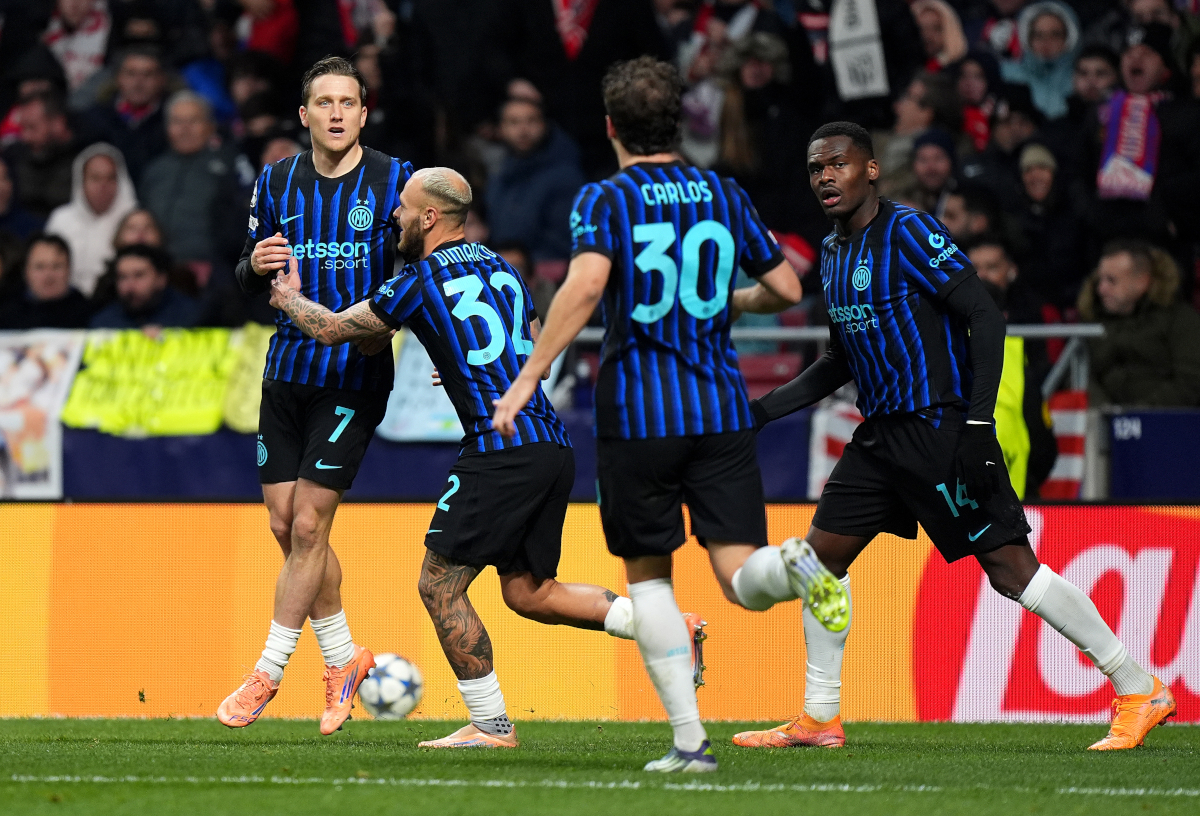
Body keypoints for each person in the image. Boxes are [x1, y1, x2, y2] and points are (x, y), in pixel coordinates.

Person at [738, 121, 1175, 753]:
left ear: (870, 170)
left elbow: (985, 315)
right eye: (815, 168)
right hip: (881, 436)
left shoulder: (909, 231)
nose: (825, 177)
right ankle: (820, 716)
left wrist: (976, 424)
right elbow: (840, 360)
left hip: (940, 428)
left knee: (1011, 571)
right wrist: (762, 411)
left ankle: (1139, 687)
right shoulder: (832, 255)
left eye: (837, 164)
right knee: (822, 559)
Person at [268, 166, 706, 750]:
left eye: (402, 207)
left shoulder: (417, 280)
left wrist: (287, 296)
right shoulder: (507, 271)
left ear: (429, 217)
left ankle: (492, 724)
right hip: (551, 444)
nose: (393, 216)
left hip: (500, 449)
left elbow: (330, 330)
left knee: (438, 586)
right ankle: (668, 627)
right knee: (529, 591)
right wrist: (466, 363)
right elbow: (537, 358)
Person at [492, 57, 845, 774]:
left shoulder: (605, 197)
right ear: (679, 122)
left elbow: (586, 286)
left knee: (650, 580)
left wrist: (530, 373)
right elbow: (784, 282)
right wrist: (735, 302)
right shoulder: (722, 190)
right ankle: (799, 563)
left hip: (638, 413)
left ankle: (690, 745)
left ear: (613, 126)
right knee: (745, 577)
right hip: (720, 407)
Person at [217, 56, 413, 736]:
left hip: (355, 373)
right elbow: (244, 272)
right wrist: (257, 264)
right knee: (284, 525)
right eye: (323, 102)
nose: (335, 112)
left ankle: (267, 672)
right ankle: (344, 658)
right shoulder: (274, 181)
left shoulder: (396, 182)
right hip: (286, 369)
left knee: (308, 525)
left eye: (348, 102)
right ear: (304, 116)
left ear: (364, 112)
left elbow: (428, 268)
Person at [1078, 239, 1200, 408]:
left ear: (1142, 281)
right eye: (1100, 280)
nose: (1101, 289)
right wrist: (1102, 411)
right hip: (1102, 423)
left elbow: (1191, 380)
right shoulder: (1091, 322)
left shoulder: (1180, 320)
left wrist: (1141, 414)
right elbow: (1079, 375)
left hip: (1166, 424)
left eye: (1111, 280)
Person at [138, 91, 251, 267]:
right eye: (177, 122)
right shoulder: (154, 169)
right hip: (157, 268)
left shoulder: (231, 164)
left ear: (210, 126)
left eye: (193, 121)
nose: (185, 129)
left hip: (214, 269)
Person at [485, 97, 584, 277]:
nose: (523, 130)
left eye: (531, 121)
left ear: (545, 125)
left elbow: (565, 241)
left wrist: (523, 259)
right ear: (500, 129)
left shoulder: (566, 176)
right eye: (514, 122)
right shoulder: (497, 176)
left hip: (551, 277)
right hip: (504, 273)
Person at [44, 143, 137, 296]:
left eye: (110, 178)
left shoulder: (133, 220)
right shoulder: (60, 219)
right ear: (81, 181)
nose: (103, 185)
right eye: (95, 178)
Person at [84, 45, 170, 185]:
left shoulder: (173, 120)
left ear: (161, 80)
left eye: (148, 74)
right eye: (131, 74)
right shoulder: (94, 118)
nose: (138, 83)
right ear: (118, 78)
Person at [999, 1, 1080, 120]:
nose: (1046, 42)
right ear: (1027, 39)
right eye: (1038, 35)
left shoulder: (1081, 80)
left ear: (1069, 39)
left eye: (1055, 34)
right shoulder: (1006, 75)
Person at [88, 244, 199, 330]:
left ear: (161, 279)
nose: (130, 285)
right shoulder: (103, 323)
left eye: (139, 275)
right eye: (122, 277)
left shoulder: (192, 316)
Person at [0, 233, 91, 329]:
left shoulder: (88, 314)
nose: (48, 275)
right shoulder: (6, 313)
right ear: (25, 271)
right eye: (40, 267)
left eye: (56, 266)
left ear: (69, 269)